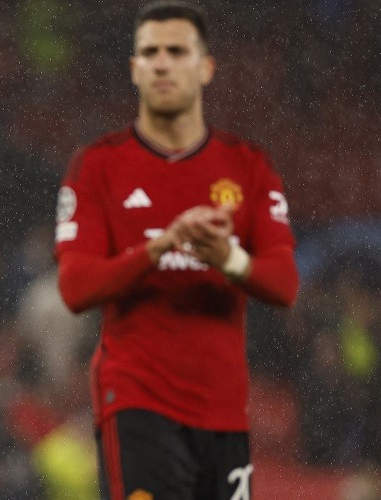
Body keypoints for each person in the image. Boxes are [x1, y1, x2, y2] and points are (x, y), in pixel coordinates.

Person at [54, 2, 299, 499]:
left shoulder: (248, 165)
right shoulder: (98, 165)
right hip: (137, 401)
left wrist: (225, 257)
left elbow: (284, 284)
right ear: (134, 69)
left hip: (223, 411)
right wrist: (163, 245)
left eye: (177, 51)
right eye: (150, 52)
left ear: (205, 67)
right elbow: (76, 288)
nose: (162, 63)